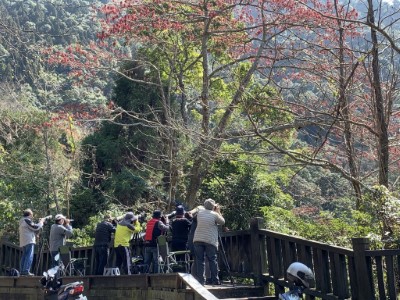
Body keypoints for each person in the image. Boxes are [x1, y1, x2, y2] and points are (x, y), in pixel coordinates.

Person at [193, 198, 225, 285]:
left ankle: (201, 280)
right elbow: (222, 222)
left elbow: (195, 217)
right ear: (213, 206)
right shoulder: (215, 214)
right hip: (210, 240)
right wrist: (218, 211)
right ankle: (215, 280)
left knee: (200, 260)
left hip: (198, 238)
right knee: (212, 260)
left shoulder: (199, 213)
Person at [19, 209, 45, 276]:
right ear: (30, 214)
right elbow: (35, 227)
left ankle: (22, 270)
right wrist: (41, 222)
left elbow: (31, 228)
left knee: (24, 255)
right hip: (29, 240)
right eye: (32, 215)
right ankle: (25, 271)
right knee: (29, 256)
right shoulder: (27, 220)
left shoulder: (22, 220)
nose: (32, 216)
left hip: (24, 241)